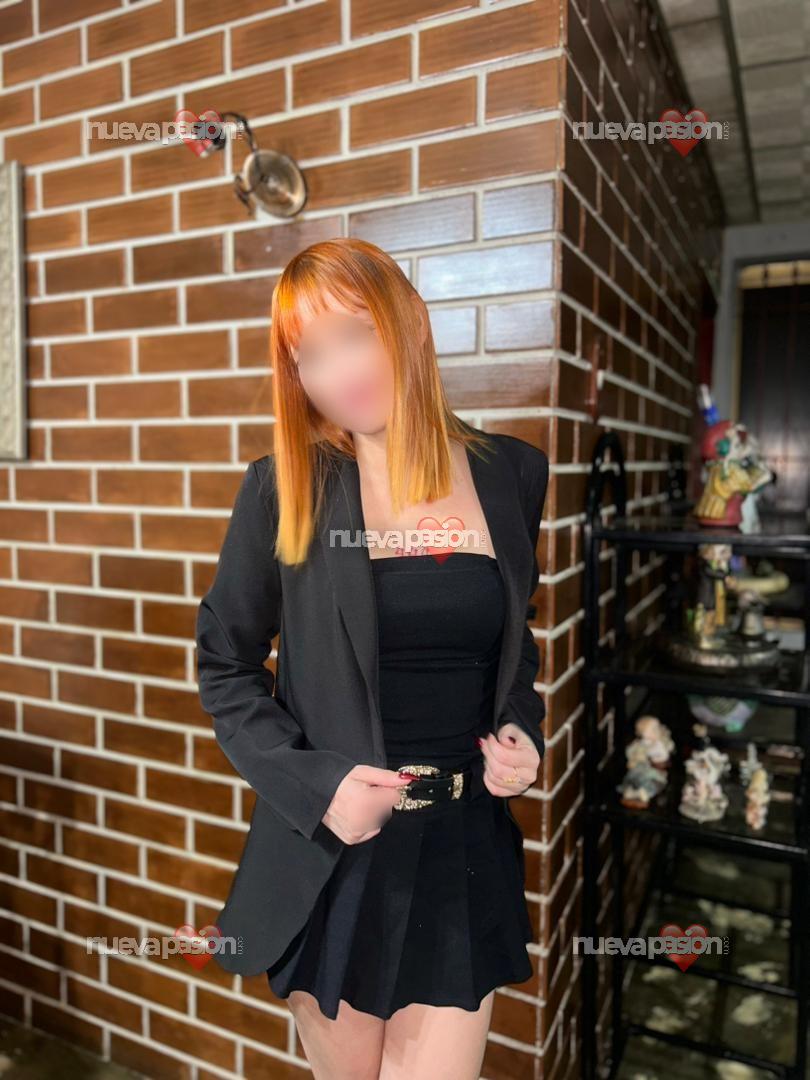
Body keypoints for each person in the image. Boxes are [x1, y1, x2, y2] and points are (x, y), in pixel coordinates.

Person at [195, 237, 549, 1079]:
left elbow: (511, 641)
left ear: (410, 322)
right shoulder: (285, 487)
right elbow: (225, 665)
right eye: (309, 354)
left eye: (354, 334)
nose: (337, 372)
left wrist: (519, 730)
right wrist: (318, 787)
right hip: (339, 863)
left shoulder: (510, 473)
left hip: (462, 848)